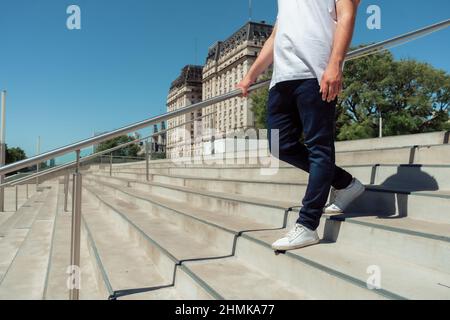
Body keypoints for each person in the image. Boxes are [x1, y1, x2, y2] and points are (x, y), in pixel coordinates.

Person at [237, 0, 365, 251]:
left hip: (315, 72)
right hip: (282, 78)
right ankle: (346, 183)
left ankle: (307, 226)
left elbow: (347, 16)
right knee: (279, 146)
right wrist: (251, 75)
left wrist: (335, 64)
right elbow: (275, 35)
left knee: (319, 147)